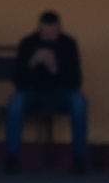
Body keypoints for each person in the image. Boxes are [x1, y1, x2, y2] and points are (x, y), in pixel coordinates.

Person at [6, 11, 88, 174]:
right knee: (16, 101)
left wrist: (54, 68)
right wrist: (33, 63)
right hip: (32, 94)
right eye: (45, 32)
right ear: (39, 29)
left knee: (79, 101)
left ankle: (79, 158)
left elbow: (75, 81)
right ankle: (11, 158)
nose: (49, 36)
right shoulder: (28, 43)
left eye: (53, 32)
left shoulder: (68, 44)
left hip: (61, 95)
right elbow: (18, 80)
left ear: (59, 29)